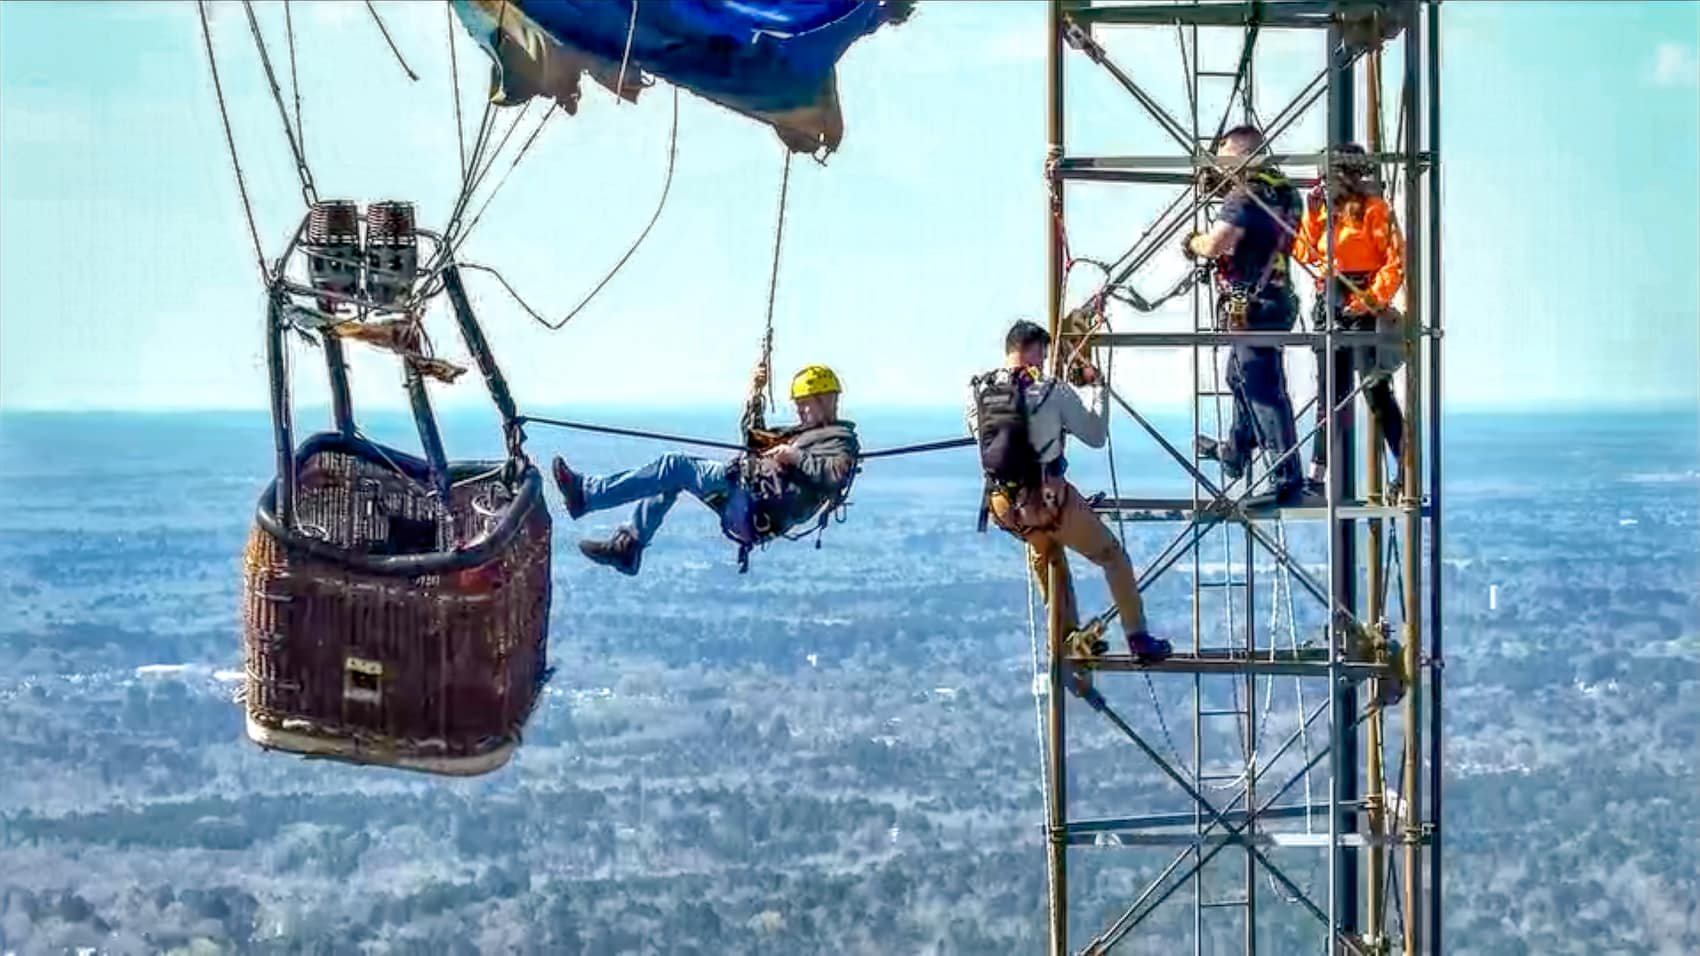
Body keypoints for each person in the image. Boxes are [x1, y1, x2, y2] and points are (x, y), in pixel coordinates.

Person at [967, 320, 1172, 663]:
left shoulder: (979, 390)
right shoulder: (1051, 390)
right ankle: (1138, 639)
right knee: (1112, 556)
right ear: (1035, 350)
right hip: (1050, 499)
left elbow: (981, 436)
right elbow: (1095, 435)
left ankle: (1068, 639)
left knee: (1048, 556)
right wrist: (1096, 388)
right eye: (1043, 355)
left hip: (1005, 505)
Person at [551, 364, 860, 575]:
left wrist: (793, 456)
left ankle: (587, 495)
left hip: (753, 500)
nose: (800, 410)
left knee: (674, 466)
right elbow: (755, 441)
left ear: (825, 400)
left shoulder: (840, 441)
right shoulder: (802, 434)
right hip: (749, 498)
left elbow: (834, 477)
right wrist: (754, 396)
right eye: (798, 404)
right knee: (671, 478)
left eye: (806, 403)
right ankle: (627, 546)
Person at [1183, 124, 1313, 508]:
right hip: (1277, 298)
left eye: (1221, 152)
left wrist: (1192, 243)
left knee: (1263, 390)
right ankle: (1236, 449)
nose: (1217, 163)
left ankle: (1287, 478)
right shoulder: (1286, 192)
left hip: (1253, 304)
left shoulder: (1245, 195)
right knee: (1239, 375)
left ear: (1237, 150)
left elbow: (1216, 244)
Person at [1292, 142, 1407, 493]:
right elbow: (1303, 252)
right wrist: (1311, 214)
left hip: (1361, 302)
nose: (1325, 181)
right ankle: (1317, 476)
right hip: (1329, 302)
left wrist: (1370, 300)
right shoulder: (1324, 212)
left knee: (1375, 390)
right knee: (1330, 394)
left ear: (1350, 175)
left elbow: (1395, 261)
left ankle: (1405, 468)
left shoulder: (1375, 210)